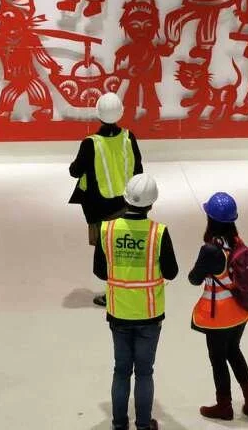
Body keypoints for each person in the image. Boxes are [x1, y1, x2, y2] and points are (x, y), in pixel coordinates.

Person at [95, 174, 178, 430]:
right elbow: (172, 271)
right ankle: (143, 425)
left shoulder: (107, 229)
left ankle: (119, 424)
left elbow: (100, 270)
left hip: (119, 313)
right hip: (149, 314)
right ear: (152, 204)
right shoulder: (158, 233)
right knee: (144, 372)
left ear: (125, 198)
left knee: (121, 371)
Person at [187, 192, 248, 421]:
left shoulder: (210, 250)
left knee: (218, 359)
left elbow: (194, 279)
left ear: (210, 219)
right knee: (234, 351)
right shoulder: (238, 243)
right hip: (240, 312)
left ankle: (224, 406)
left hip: (219, 317)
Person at [70, 92, 144, 307]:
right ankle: (126, 288)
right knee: (124, 247)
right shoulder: (129, 137)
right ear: (120, 113)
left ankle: (112, 291)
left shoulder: (90, 143)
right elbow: (138, 167)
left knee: (106, 250)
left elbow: (75, 171)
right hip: (125, 204)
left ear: (98, 114)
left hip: (99, 207)